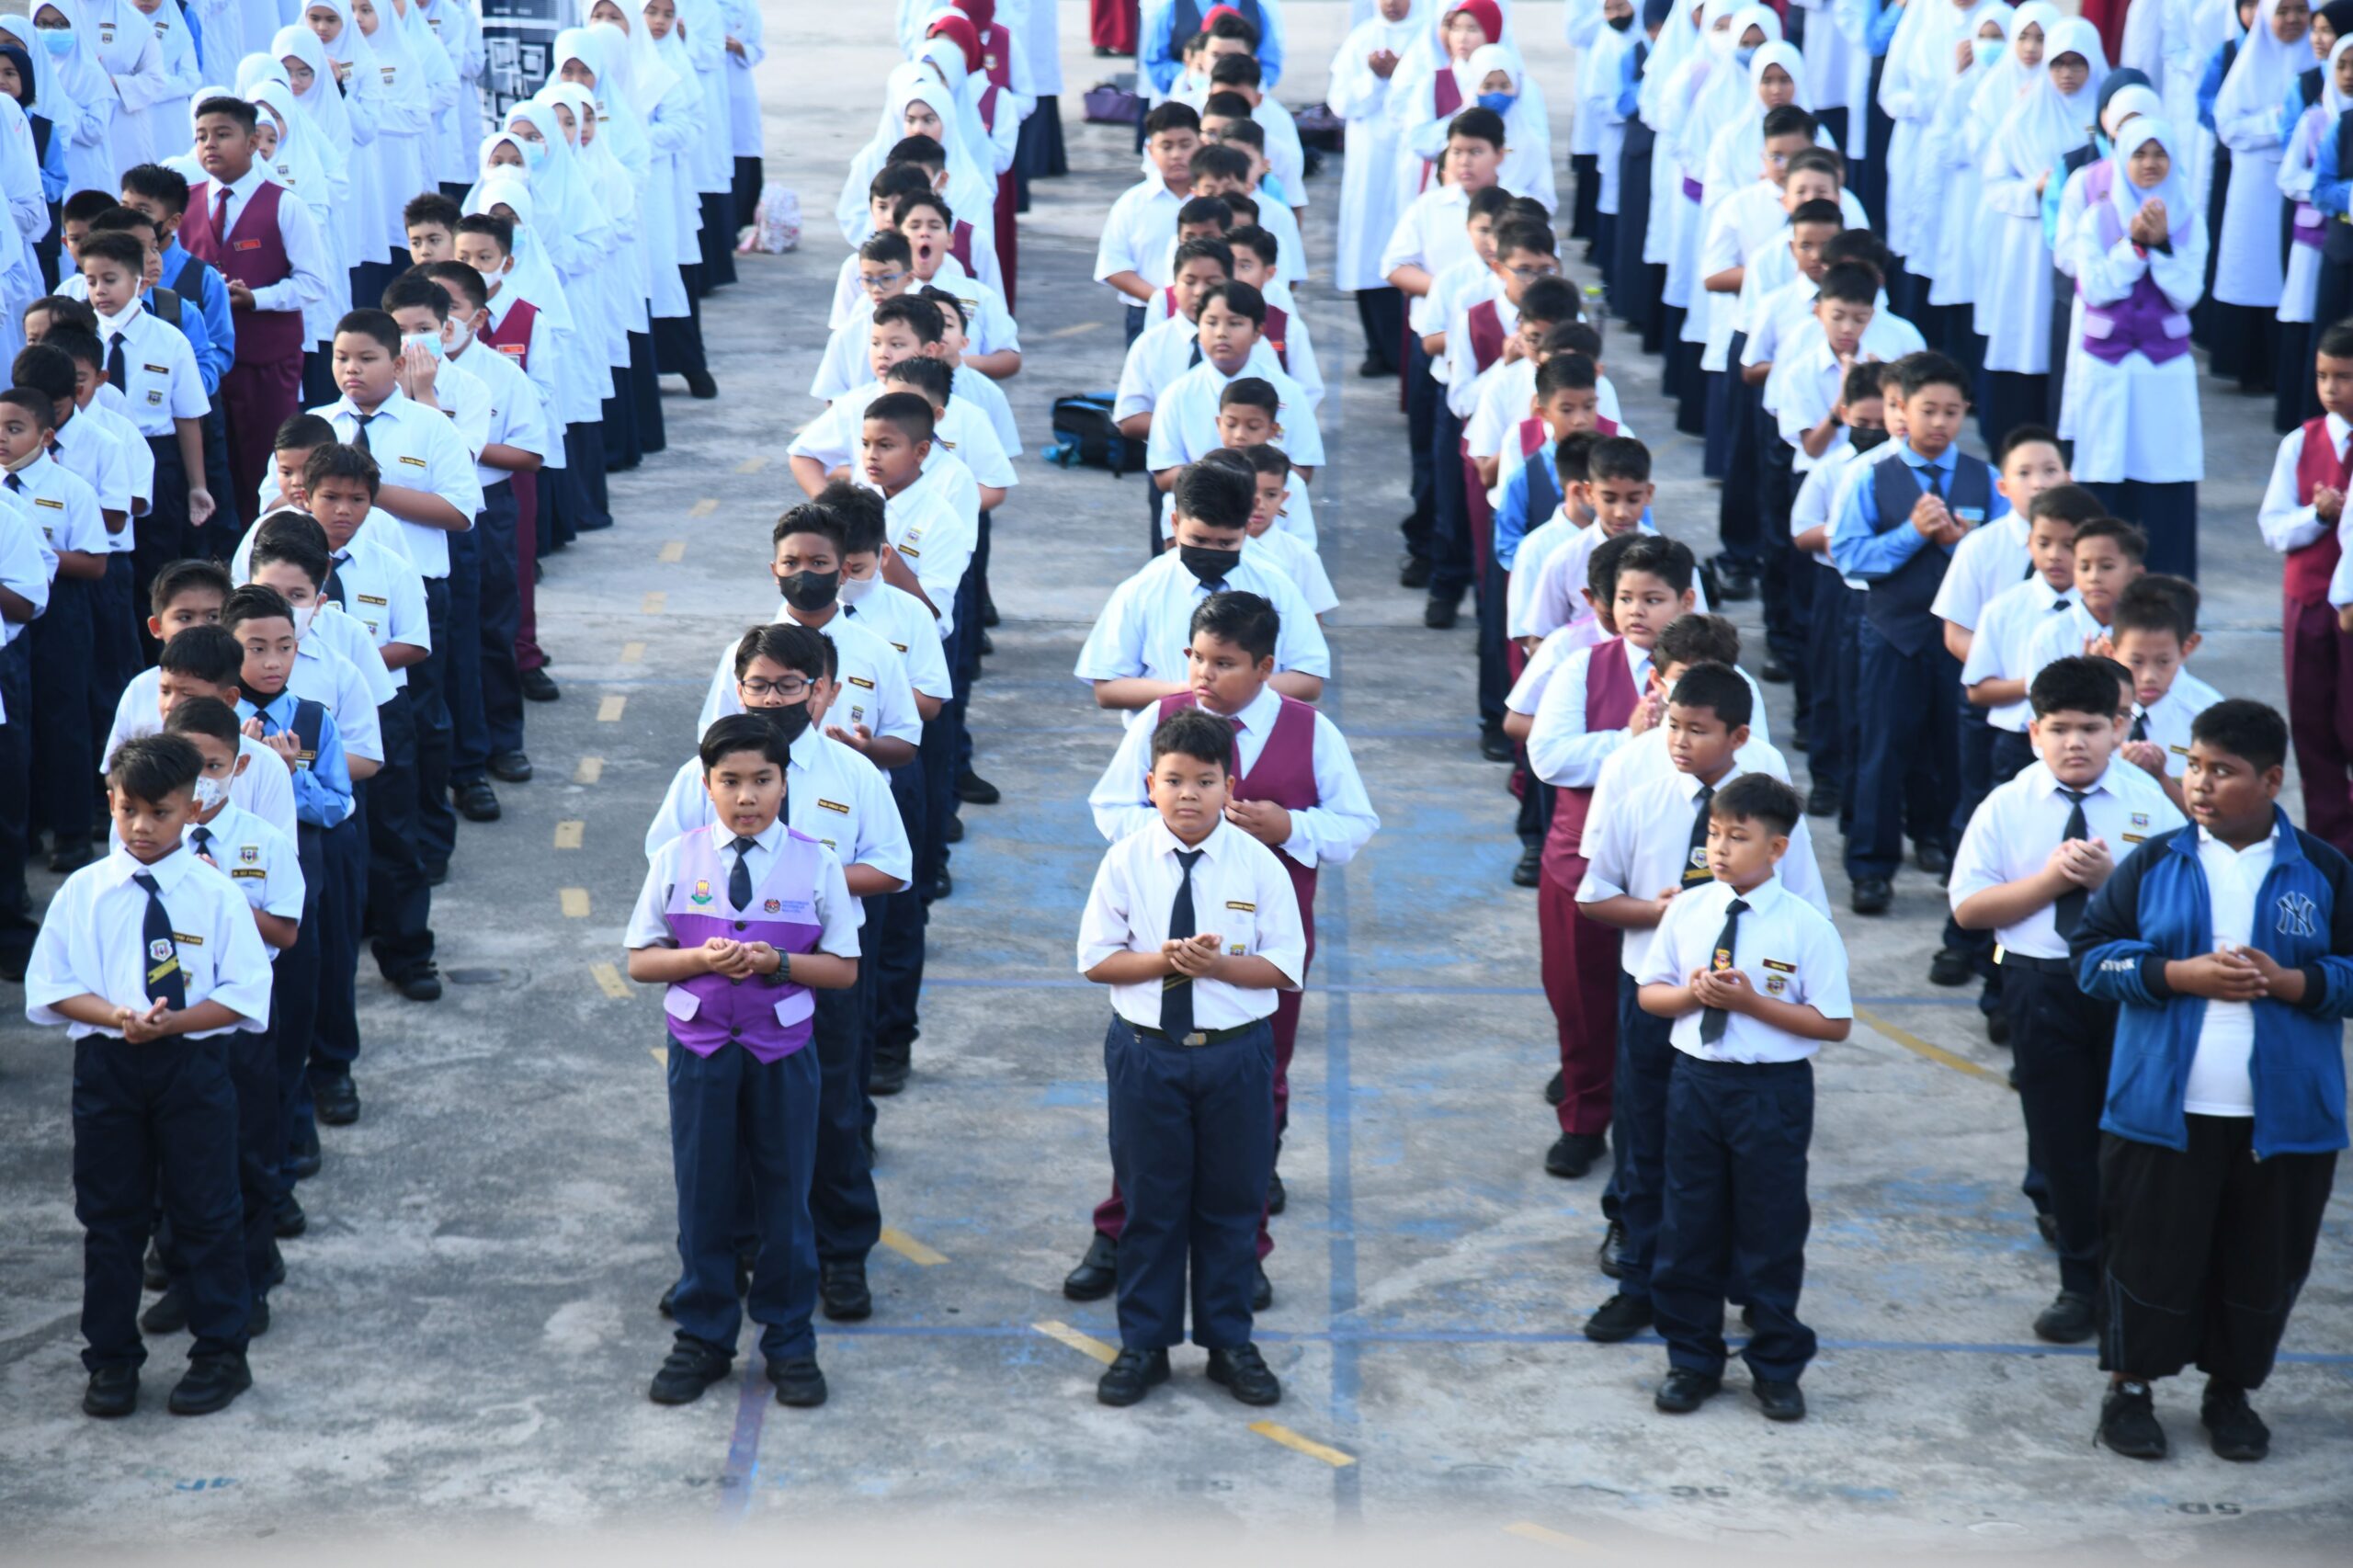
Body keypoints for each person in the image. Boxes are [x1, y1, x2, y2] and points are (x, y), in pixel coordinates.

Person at [1070, 589, 1377, 1306]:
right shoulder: (1162, 720)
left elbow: (1356, 824)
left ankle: (1244, 1248)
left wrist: (1288, 828)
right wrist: (1172, 829)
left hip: (1261, 946)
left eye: (1226, 663)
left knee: (1256, 1085)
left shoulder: (1309, 731)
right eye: (1198, 659)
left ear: (1267, 667)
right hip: (1159, 943)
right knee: (1147, 1093)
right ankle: (1120, 1230)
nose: (1204, 676)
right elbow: (1110, 806)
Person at [2072, 698, 2350, 1462]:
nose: (2198, 784)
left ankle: (2231, 1392)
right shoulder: (2156, 862)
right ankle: (2129, 1389)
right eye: (2194, 766)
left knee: (2260, 1259)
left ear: (2271, 780)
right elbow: (2094, 959)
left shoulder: (2322, 872)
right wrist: (2174, 974)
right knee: (2150, 1253)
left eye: (2221, 771)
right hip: (2163, 1108)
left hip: (2284, 1119)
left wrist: (2296, 985)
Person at [645, 623, 912, 1326]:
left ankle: (841, 1254)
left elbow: (893, 866)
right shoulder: (699, 775)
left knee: (829, 1118)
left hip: (815, 974)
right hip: (719, 987)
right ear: (737, 690)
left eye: (790, 685)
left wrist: (797, 889)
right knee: (718, 1133)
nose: (772, 698)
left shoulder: (854, 773)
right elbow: (665, 864)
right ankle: (719, 1259)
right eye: (759, 684)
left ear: (821, 693)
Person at [1577, 665, 1829, 1348]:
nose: (1680, 742)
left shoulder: (1775, 819)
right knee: (1648, 1149)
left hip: (1748, 1018)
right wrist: (1660, 913)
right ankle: (1641, 1285)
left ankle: (1750, 1299)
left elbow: (1808, 911)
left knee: (1747, 1174)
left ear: (1738, 736)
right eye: (1673, 726)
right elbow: (1592, 896)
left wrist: (1765, 990)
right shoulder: (1642, 801)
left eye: (1698, 730)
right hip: (1658, 1001)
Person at [25, 730, 272, 1418]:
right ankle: (110, 1360)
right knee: (110, 1218)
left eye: (160, 811)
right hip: (109, 1065)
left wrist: (173, 1024)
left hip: (192, 1065)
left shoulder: (217, 896)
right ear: (110, 802)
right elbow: (50, 987)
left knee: (208, 1210)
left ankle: (221, 1352)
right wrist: (118, 1016)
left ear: (192, 810)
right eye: (128, 808)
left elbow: (246, 994)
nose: (142, 825)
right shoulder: (86, 892)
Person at [627, 712, 862, 1411]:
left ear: (785, 784)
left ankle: (790, 1340)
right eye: (730, 781)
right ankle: (703, 1336)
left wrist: (780, 961)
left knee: (786, 1194)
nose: (747, 796)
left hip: (782, 1050)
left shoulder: (816, 861)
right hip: (700, 1050)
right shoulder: (674, 857)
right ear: (706, 786)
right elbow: (641, 959)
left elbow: (844, 968)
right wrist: (699, 960)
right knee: (704, 1193)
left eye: (762, 780)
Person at [1951, 654, 2187, 1344]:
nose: (2075, 742)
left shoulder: (2148, 803)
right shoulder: (2008, 805)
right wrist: (2051, 882)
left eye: (2091, 727)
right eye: (2059, 729)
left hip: (2127, 983)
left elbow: (2181, 913)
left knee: (2130, 1136)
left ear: (2119, 729)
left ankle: (2129, 1277)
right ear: (2033, 733)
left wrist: (2113, 882)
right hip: (2040, 981)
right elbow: (1968, 907)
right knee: (2060, 1136)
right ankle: (2080, 1282)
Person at [1076, 702, 1304, 1409]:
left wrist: (1217, 969)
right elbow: (1095, 961)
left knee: (1232, 1202)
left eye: (1205, 781)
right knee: (1151, 1202)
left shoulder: (1260, 865)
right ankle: (1144, 1342)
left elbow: (1285, 967)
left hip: (1235, 1056)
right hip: (1148, 1053)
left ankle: (1228, 1341)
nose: (1188, 795)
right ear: (1150, 785)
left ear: (1228, 788)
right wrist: (1163, 962)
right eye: (1174, 780)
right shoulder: (1126, 860)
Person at [1635, 770, 1850, 1421]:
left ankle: (1777, 1363)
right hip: (1698, 1083)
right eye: (1714, 834)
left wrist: (1752, 1003)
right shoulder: (1689, 909)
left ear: (1778, 849)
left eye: (1738, 837)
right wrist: (1692, 995)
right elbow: (1653, 993)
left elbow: (1833, 1023)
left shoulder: (1806, 927)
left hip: (1771, 1090)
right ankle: (1691, 1358)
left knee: (1771, 1225)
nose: (1721, 850)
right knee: (1689, 1219)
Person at [1526, 533, 1699, 1177]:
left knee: (1667, 1005)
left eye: (1653, 599)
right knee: (1581, 998)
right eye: (1626, 598)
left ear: (1684, 602)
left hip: (1680, 875)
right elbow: (1548, 756)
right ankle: (1583, 1118)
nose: (1637, 612)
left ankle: (1655, 1127)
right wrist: (1628, 743)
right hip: (1583, 864)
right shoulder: (1582, 665)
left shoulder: (1718, 682)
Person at [1829, 351, 2008, 915]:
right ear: (1899, 410)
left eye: (1952, 412)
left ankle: (1942, 844)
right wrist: (1910, 534)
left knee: (1954, 750)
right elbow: (1850, 557)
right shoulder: (1870, 476)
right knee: (1883, 749)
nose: (1939, 423)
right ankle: (1871, 865)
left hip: (1960, 638)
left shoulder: (1987, 479)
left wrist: (1961, 544)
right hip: (1891, 631)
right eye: (1927, 410)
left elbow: (2007, 556)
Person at [149, 697, 304, 1341]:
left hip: (241, 1019)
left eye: (214, 766)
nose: (202, 781)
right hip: (173, 1019)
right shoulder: (153, 840)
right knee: (176, 1158)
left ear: (238, 766)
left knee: (248, 1155)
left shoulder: (262, 842)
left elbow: (286, 933)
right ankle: (188, 1278)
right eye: (189, 769)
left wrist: (224, 896)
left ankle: (251, 1276)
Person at [2060, 117, 2207, 575]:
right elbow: (2098, 288)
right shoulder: (2096, 217)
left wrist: (2161, 245)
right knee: (2103, 480)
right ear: (2121, 157)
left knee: (2163, 482)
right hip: (2105, 367)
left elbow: (2187, 292)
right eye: (2139, 154)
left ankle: (2165, 596)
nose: (2149, 164)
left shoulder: (2188, 217)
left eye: (2159, 154)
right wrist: (2135, 247)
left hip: (2164, 371)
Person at [1075, 458, 1330, 717]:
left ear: (1246, 527)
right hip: (1170, 749)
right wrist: (1189, 693)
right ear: (1175, 524)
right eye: (1198, 539)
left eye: (1226, 544)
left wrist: (1236, 689)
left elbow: (1309, 678)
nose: (1211, 552)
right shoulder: (1141, 591)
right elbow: (1107, 687)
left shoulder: (1277, 585)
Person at [180, 95, 330, 513]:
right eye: (201, 136)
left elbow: (313, 283)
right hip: (202, 361)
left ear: (253, 143)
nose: (210, 144)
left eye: (223, 135)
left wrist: (257, 299)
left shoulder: (284, 204)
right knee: (209, 467)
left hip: (267, 360)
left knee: (264, 466)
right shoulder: (185, 202)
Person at [2261, 318, 2353, 850]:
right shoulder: (2302, 443)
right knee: (2313, 727)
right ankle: (2330, 849)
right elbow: (2273, 527)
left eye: (2343, 376)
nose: (2331, 389)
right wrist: (2317, 517)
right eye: (2323, 376)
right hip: (2309, 602)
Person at [1327, 0, 1427, 376]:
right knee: (1366, 250)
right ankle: (1378, 348)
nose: (1393, 4)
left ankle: (1407, 350)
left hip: (1411, 159)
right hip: (1369, 166)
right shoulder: (1361, 39)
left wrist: (1400, 75)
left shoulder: (1428, 35)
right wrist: (1375, 77)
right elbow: (1339, 103)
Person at [1097, 101, 1201, 344]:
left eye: (1185, 145)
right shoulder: (1132, 204)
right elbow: (1114, 267)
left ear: (1201, 144)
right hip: (1145, 313)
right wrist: (1164, 301)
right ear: (1150, 150)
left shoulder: (1216, 200)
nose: (1176, 155)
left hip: (1211, 315)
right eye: (1166, 146)